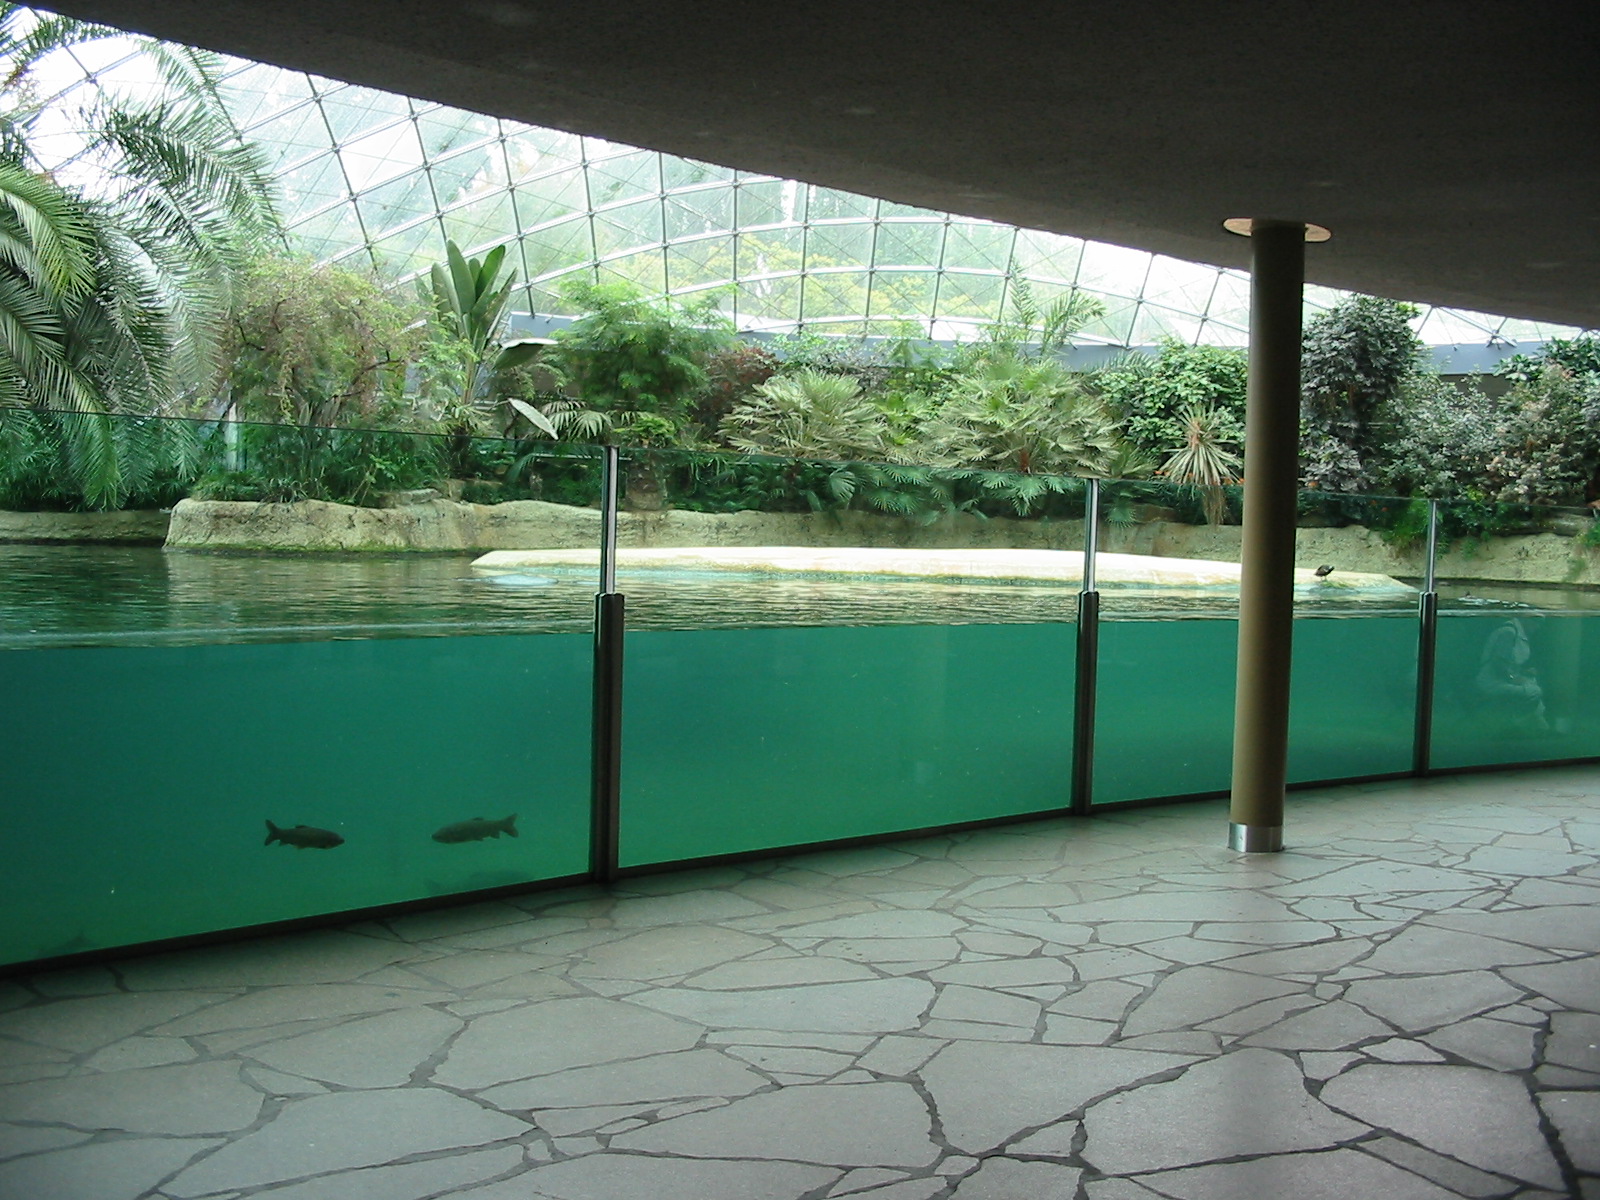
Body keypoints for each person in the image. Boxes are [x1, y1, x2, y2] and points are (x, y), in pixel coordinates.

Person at [1474, 616, 1549, 732]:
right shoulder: (1508, 632)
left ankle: (1536, 725)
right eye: (1536, 621)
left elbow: (1509, 664)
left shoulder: (1517, 633)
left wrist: (1523, 672)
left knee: (1532, 683)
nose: (1538, 627)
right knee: (1534, 691)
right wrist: (1513, 678)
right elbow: (1499, 662)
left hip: (1502, 679)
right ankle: (1517, 723)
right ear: (1526, 618)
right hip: (1491, 681)